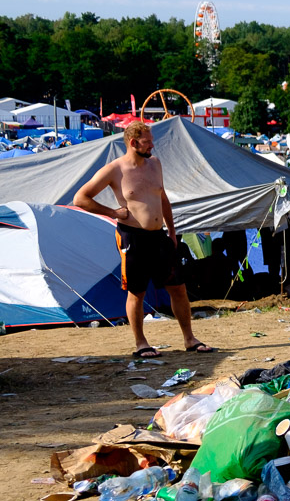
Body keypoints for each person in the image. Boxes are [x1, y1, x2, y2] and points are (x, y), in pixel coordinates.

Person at [72, 120, 215, 358]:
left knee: (178, 288)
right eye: (147, 142)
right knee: (136, 292)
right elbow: (80, 198)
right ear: (133, 143)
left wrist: (171, 230)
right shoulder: (115, 169)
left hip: (159, 236)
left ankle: (189, 339)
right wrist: (112, 212)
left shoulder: (155, 164)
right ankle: (141, 343)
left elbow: (163, 198)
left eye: (151, 141)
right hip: (132, 237)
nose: (152, 146)